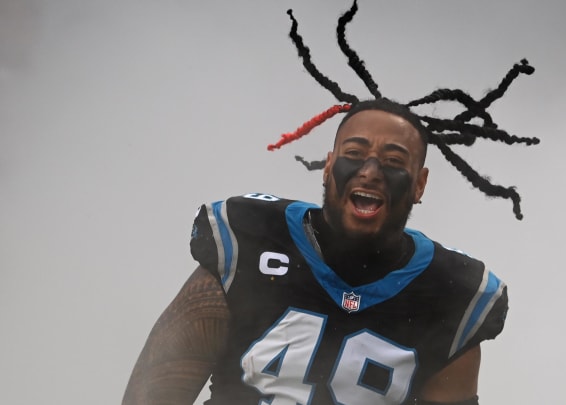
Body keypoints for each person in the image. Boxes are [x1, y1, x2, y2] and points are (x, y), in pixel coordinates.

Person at [123, 2, 539, 404]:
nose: (371, 171)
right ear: (328, 166)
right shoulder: (247, 237)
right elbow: (155, 394)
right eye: (355, 154)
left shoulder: (454, 292)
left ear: (419, 184)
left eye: (394, 162)